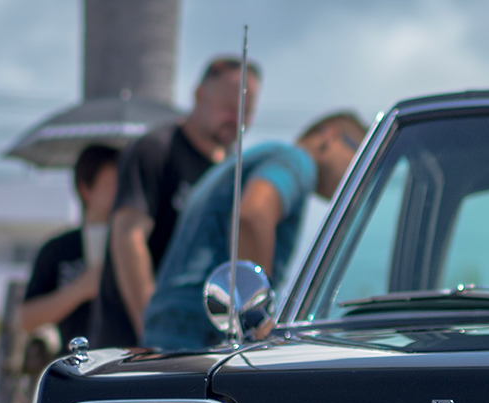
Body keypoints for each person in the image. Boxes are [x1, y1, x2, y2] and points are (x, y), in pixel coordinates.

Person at [139, 112, 365, 351]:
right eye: (359, 156)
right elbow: (253, 216)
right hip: (205, 331)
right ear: (330, 137)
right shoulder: (297, 160)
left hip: (169, 327)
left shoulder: (254, 158)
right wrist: (258, 325)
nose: (361, 175)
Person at [91, 56, 263, 347]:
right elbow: (128, 236)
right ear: (199, 95)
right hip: (134, 345)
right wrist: (154, 329)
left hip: (197, 344)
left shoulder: (233, 174)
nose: (236, 120)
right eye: (228, 108)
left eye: (245, 113)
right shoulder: (155, 150)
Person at [17, 144, 119, 344]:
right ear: (86, 189)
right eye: (114, 183)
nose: (122, 192)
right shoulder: (59, 249)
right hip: (73, 363)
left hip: (126, 362)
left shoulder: (138, 246)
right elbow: (26, 318)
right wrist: (80, 289)